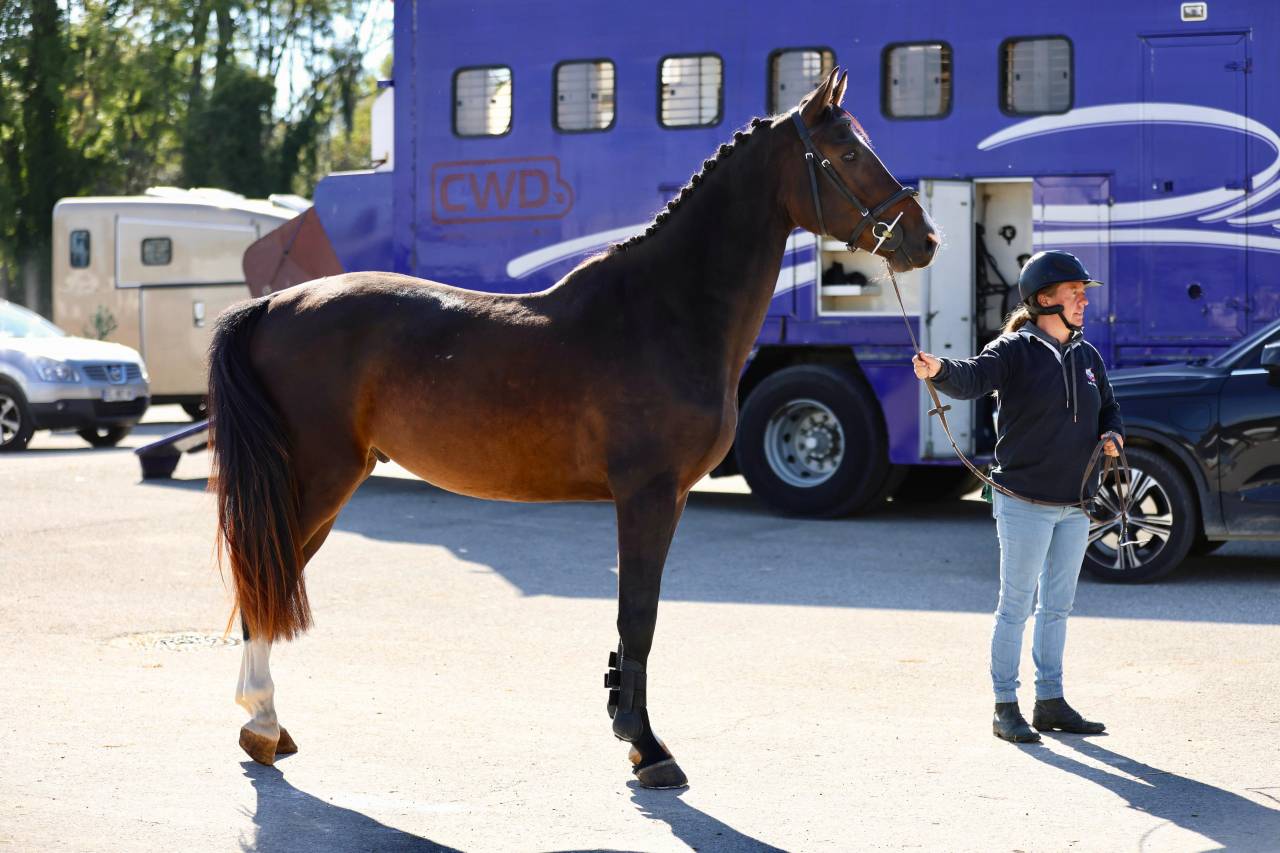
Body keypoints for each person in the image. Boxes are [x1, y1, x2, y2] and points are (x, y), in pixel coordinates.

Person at [912, 250, 1124, 744]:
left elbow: (1110, 409)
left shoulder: (1086, 355)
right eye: (1074, 292)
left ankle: (1049, 700)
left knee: (1058, 607)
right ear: (1043, 299)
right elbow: (970, 377)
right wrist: (939, 368)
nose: (1082, 301)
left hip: (1076, 505)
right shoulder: (1013, 351)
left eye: (1083, 293)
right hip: (1024, 501)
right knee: (1016, 606)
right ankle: (1005, 707)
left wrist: (1114, 436)